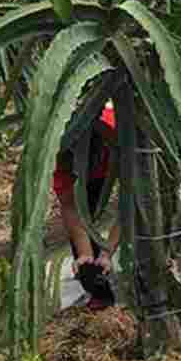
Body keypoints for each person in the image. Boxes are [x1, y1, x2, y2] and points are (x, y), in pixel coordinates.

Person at [53, 104, 121, 311]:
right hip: (85, 177)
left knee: (146, 220)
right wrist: (85, 253)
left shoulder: (119, 137)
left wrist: (108, 250)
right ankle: (100, 294)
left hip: (113, 159)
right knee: (83, 244)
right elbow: (71, 207)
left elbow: (130, 203)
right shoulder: (59, 155)